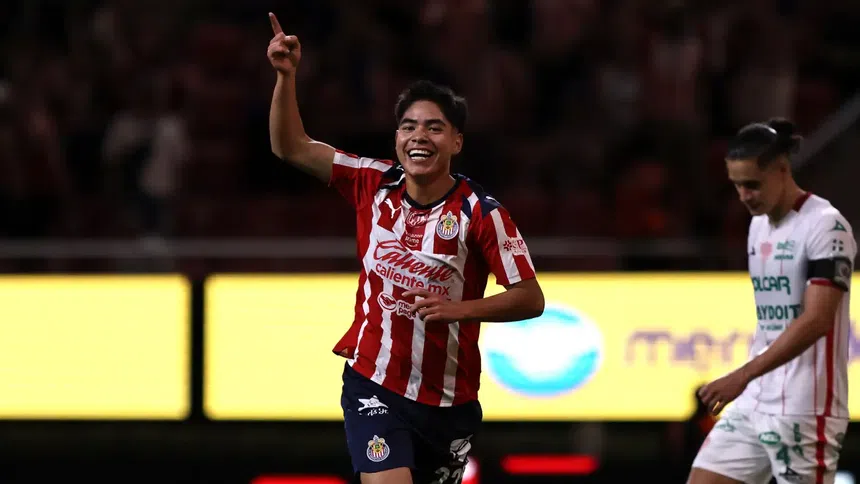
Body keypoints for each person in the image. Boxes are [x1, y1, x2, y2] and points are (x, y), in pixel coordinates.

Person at [265, 13, 545, 484]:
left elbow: (530, 297)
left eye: (434, 128)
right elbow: (290, 147)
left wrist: (459, 310)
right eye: (409, 126)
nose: (419, 136)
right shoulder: (371, 181)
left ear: (456, 141)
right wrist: (285, 76)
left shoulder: (481, 213)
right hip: (373, 382)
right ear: (396, 138)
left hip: (450, 402)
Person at [688, 118, 856, 484]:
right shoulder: (758, 224)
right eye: (737, 186)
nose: (744, 196)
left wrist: (742, 375)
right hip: (755, 400)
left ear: (782, 169)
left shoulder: (827, 226)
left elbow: (817, 320)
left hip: (805, 407)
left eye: (752, 184)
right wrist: (750, 381)